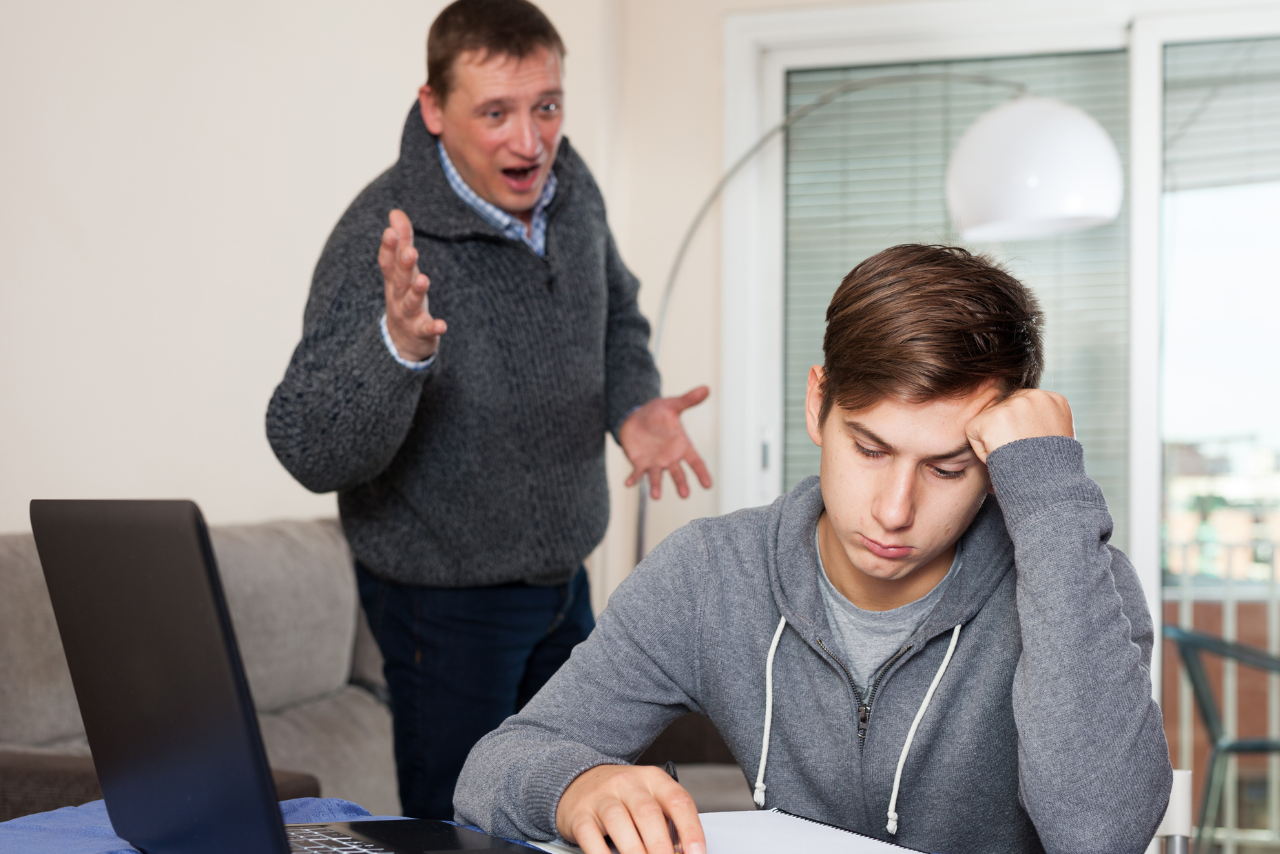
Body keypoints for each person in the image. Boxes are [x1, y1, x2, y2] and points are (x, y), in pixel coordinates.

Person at [453, 244, 1173, 854]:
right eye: (868, 448)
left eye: (948, 468)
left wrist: (1047, 494)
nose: (895, 511)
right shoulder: (709, 573)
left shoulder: (1077, 576)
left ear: (995, 463)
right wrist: (577, 786)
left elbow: (1101, 835)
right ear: (816, 404)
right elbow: (492, 767)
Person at [265, 0, 711, 820]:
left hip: (562, 578)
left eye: (546, 106)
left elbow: (616, 311)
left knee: (581, 807)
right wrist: (396, 351)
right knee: (466, 824)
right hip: (445, 601)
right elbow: (305, 444)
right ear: (435, 109)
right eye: (496, 112)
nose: (530, 141)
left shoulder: (572, 193)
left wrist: (633, 403)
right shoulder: (382, 233)